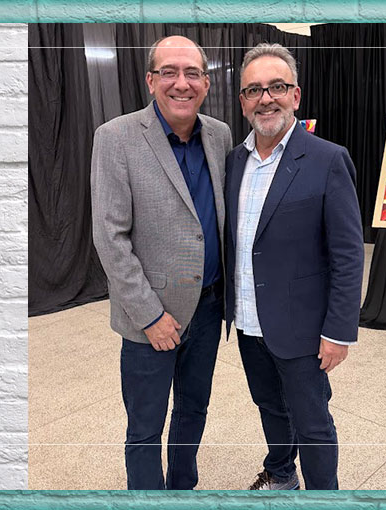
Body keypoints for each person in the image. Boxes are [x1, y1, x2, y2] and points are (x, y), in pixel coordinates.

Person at [91, 35, 232, 490]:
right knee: (145, 428)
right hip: (149, 318)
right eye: (169, 72)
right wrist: (150, 316)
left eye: (192, 73)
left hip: (208, 309)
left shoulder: (219, 135)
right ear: (151, 80)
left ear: (206, 83)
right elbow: (110, 238)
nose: (181, 83)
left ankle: (183, 488)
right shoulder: (115, 137)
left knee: (193, 411)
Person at [224, 43, 364, 490]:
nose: (265, 98)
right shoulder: (234, 161)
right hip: (248, 321)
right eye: (254, 90)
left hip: (304, 327)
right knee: (269, 407)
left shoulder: (327, 159)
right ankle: (282, 476)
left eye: (277, 87)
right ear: (243, 101)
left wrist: (339, 331)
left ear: (296, 95)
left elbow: (348, 254)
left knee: (312, 422)